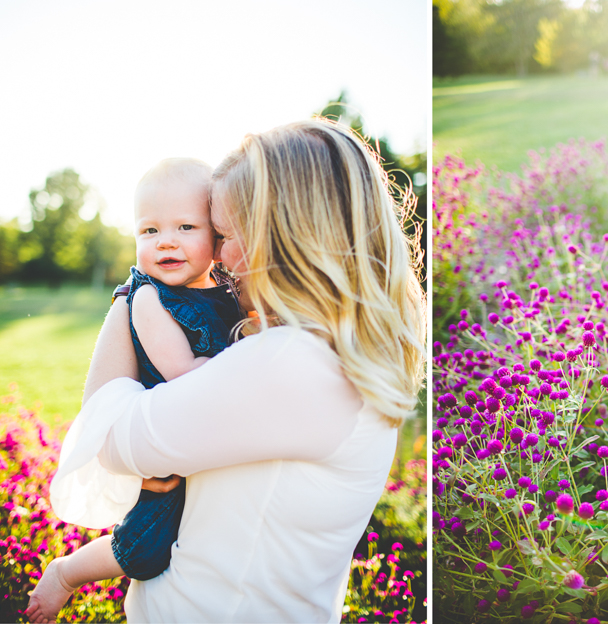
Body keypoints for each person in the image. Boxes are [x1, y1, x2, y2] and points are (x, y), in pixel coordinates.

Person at [33, 119, 426, 622]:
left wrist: (132, 298)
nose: (218, 257)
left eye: (223, 234)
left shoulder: (290, 362)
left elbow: (107, 436)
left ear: (282, 236)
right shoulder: (339, 351)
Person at [26, 158, 243, 622]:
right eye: (149, 231)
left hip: (201, 443)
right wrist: (238, 362)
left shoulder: (229, 288)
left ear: (217, 237)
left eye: (186, 227)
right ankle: (66, 572)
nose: (166, 241)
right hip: (165, 446)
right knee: (145, 548)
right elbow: (181, 370)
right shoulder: (148, 298)